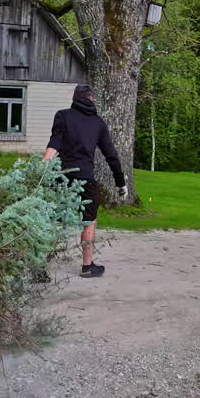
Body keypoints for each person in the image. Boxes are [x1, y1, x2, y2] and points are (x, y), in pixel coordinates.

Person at [43, 84, 128, 278]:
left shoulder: (62, 115)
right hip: (85, 178)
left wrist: (41, 170)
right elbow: (111, 155)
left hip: (61, 176)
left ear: (74, 99)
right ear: (92, 99)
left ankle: (41, 268)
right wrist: (120, 182)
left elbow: (54, 144)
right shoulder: (98, 123)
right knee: (89, 221)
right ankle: (87, 267)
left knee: (52, 221)